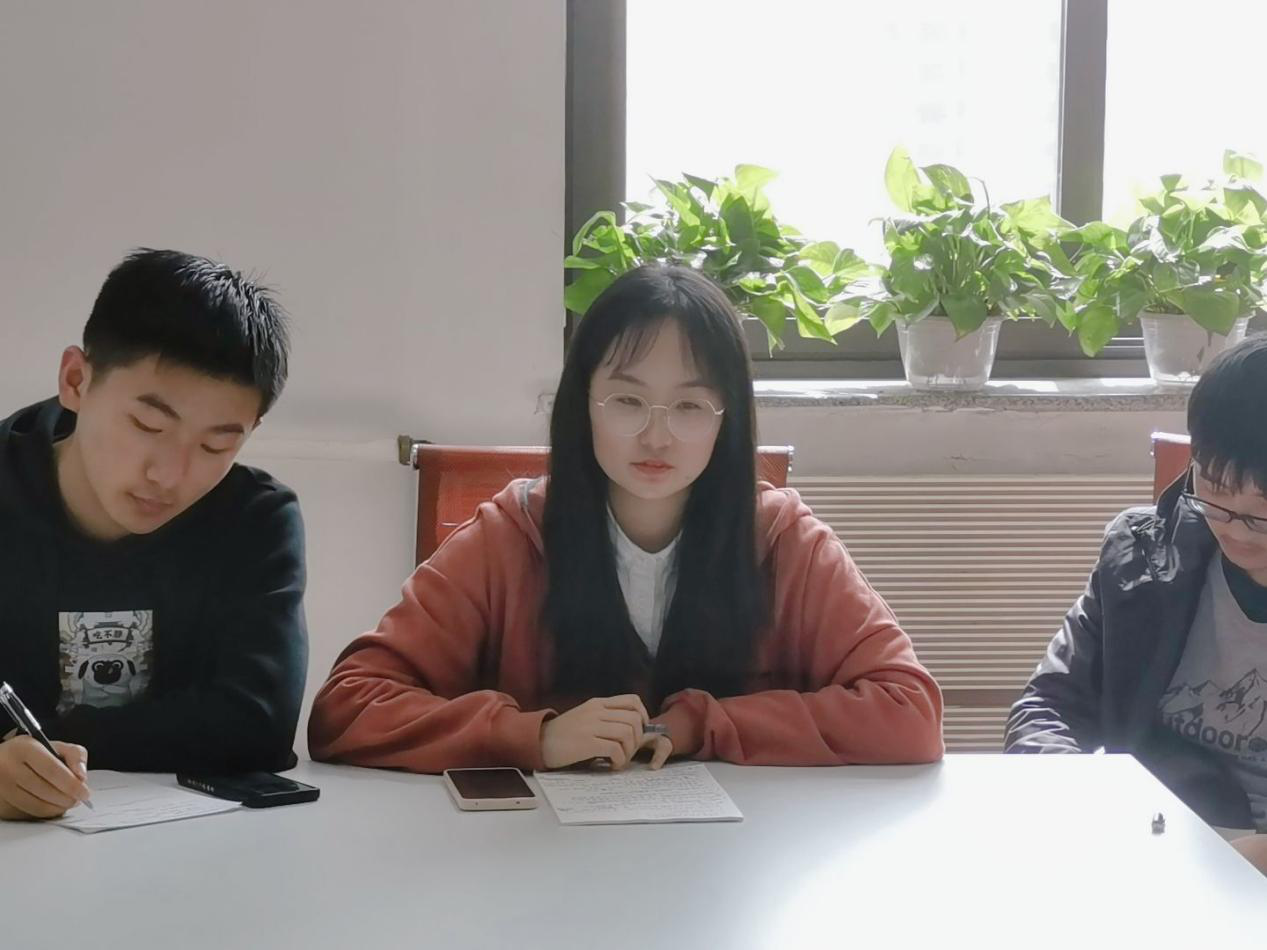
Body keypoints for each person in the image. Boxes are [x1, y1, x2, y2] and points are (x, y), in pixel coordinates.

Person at [309, 264, 942, 773]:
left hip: (739, 858)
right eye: (627, 400)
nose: (656, 436)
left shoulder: (780, 540)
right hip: (535, 857)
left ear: (728, 420)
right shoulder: (510, 535)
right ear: (582, 403)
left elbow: (909, 712)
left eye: (690, 406)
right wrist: (537, 737)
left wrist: (701, 725)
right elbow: (348, 707)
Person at [0, 249, 308, 820]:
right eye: (147, 425)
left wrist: (39, 739)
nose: (169, 475)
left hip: (194, 845)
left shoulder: (256, 521)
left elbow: (258, 725)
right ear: (76, 380)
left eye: (216, 445)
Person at [1007, 334, 1267, 863]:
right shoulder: (1141, 556)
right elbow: (1046, 707)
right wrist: (1083, 802)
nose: (1234, 529)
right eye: (1215, 491)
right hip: (1161, 843)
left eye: (1261, 512)